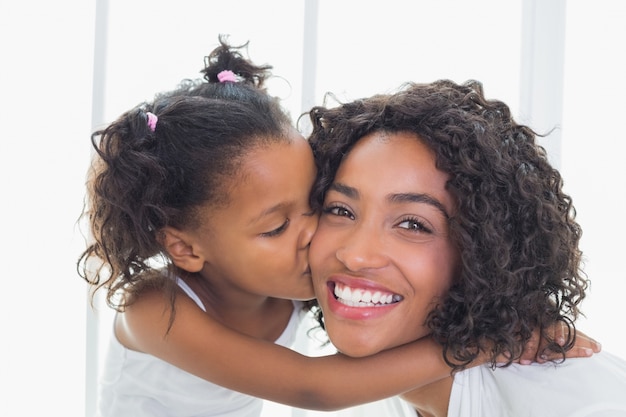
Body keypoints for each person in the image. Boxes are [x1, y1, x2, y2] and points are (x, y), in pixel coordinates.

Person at [78, 37, 599, 417]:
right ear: (186, 249)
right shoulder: (154, 309)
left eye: (318, 204)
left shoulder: (285, 281)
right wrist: (489, 342)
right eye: (276, 227)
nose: (320, 238)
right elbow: (315, 389)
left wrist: (517, 314)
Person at [307, 78, 626, 416]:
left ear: (484, 256)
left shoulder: (579, 407)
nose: (356, 256)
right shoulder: (391, 384)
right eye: (340, 210)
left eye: (413, 224)